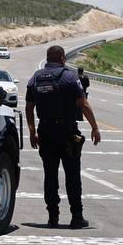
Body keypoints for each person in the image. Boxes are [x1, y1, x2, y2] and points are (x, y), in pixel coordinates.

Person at [25, 45, 102, 228]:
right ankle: (77, 216)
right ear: (62, 58)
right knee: (73, 176)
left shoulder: (36, 78)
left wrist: (32, 132)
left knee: (50, 175)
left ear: (47, 58)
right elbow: (83, 104)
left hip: (46, 131)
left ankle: (53, 217)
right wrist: (95, 127)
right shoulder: (70, 77)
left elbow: (29, 107)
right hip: (67, 133)